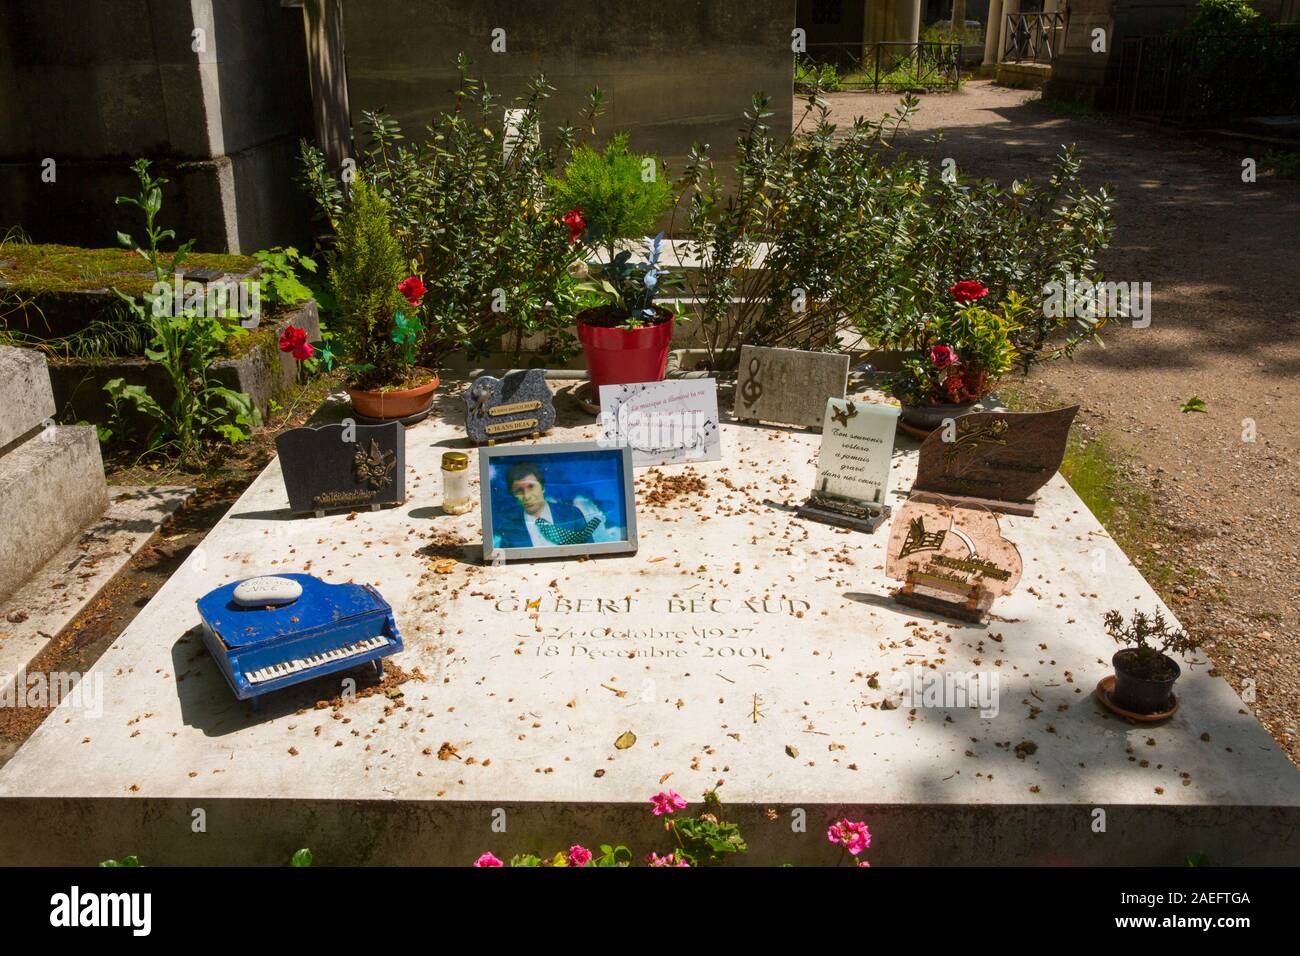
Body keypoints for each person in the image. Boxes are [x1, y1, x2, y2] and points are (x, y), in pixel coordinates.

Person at [493, 460, 600, 548]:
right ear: (513, 495)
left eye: (531, 487)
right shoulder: (509, 527)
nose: (527, 496)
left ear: (543, 487)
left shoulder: (572, 513)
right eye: (519, 491)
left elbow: (589, 551)